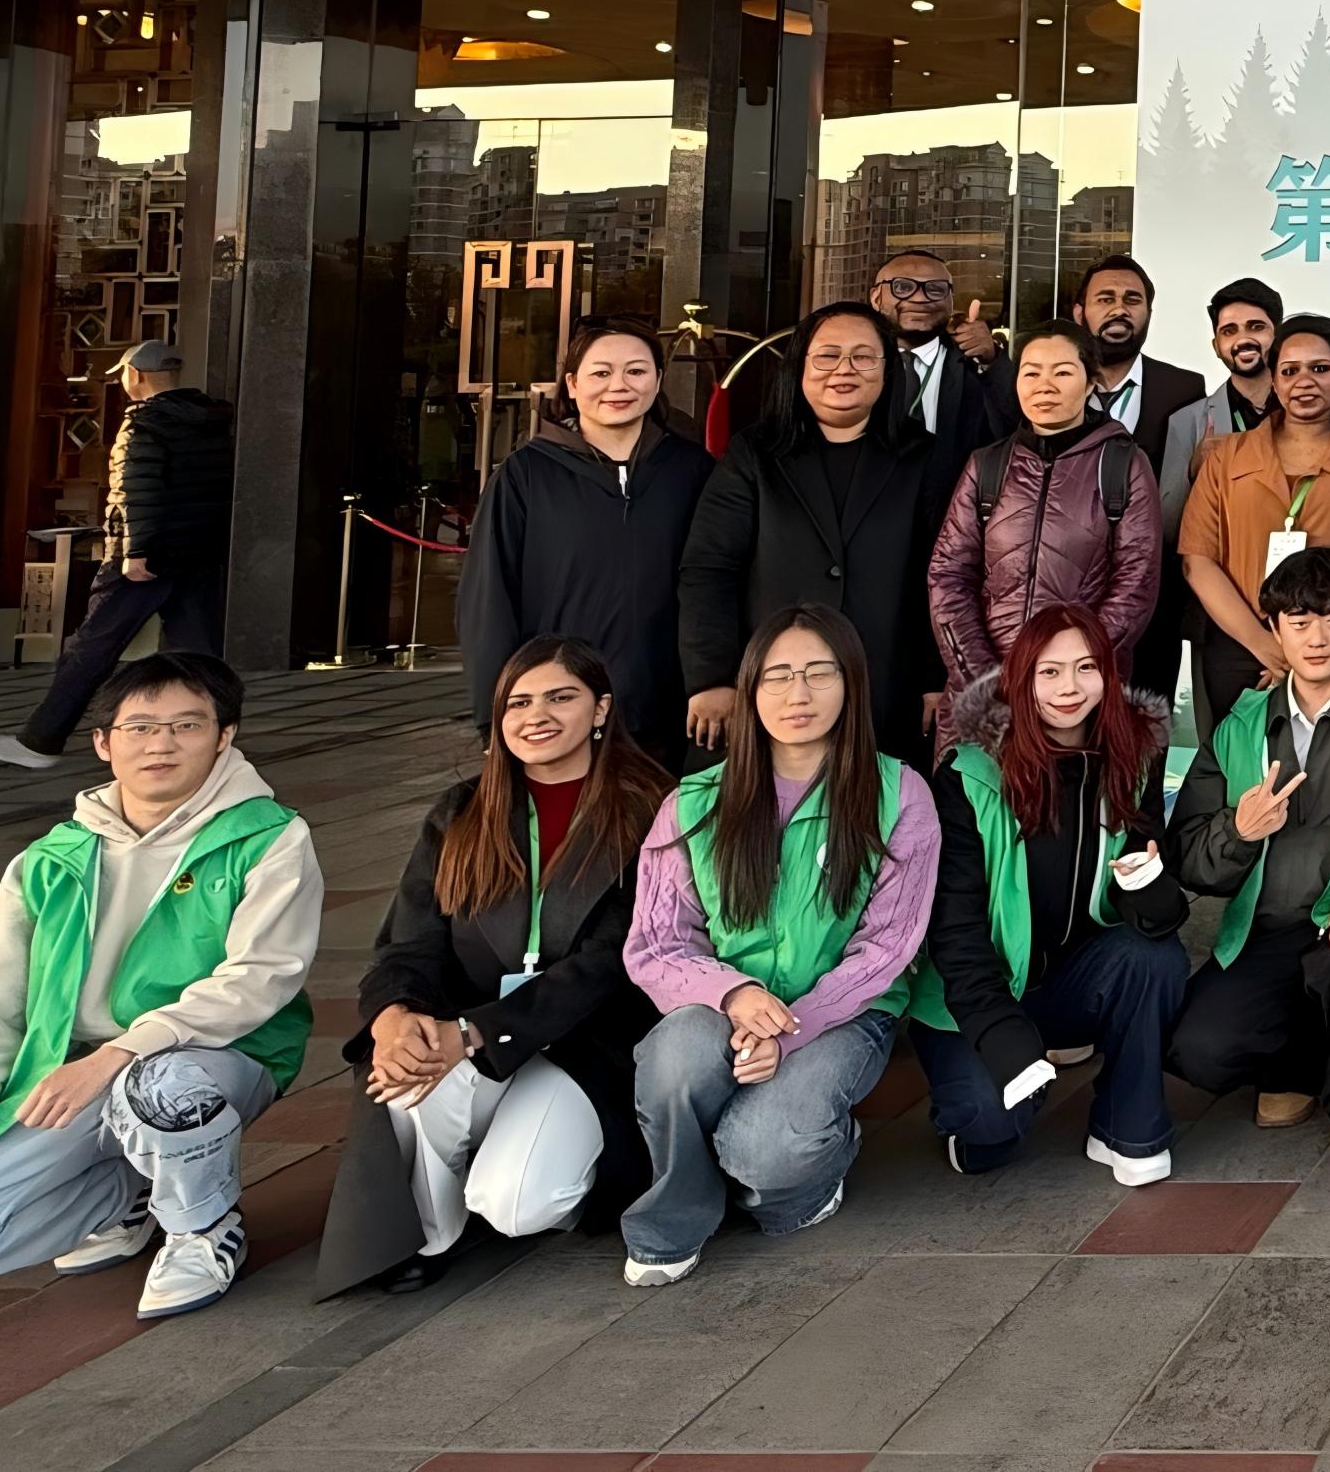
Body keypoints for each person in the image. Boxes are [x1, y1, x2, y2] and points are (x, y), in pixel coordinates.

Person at [0, 655, 319, 1318]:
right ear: (103, 742)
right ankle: (127, 1192)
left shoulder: (269, 837)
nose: (161, 744)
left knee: (159, 1087)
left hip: (213, 1061)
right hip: (68, 1080)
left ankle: (201, 1225)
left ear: (224, 737)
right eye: (140, 727)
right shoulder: (49, 860)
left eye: (187, 725)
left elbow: (259, 978)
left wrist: (118, 1053)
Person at [315, 638, 669, 1295]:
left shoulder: (652, 807)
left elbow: (614, 961)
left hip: (586, 1046)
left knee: (515, 1205)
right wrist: (395, 1017)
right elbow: (409, 943)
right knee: (404, 1071)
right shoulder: (461, 810)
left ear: (600, 709)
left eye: (560, 697)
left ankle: (526, 1170)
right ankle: (432, 1229)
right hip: (469, 1029)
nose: (537, 716)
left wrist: (476, 1032)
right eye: (518, 702)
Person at [620, 608, 936, 1285]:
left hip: (844, 1014)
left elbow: (887, 947)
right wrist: (733, 994)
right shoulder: (695, 800)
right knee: (673, 1057)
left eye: (820, 674)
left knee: (764, 1150)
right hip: (723, 1008)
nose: (799, 694)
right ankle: (673, 1217)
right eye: (778, 676)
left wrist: (788, 1031)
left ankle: (808, 1178)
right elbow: (656, 944)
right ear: (750, 689)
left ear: (851, 683)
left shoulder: (898, 794)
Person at [1164, 547, 1330, 1173]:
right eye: (1299, 622)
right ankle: (1300, 1066)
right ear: (1274, 627)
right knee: (1197, 1049)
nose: (1317, 639)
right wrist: (1239, 831)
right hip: (1270, 928)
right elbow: (1189, 856)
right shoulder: (1240, 725)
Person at [909, 608, 1191, 1186]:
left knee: (1154, 958)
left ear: (1108, 675)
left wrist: (1146, 885)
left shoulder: (1132, 762)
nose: (1069, 687)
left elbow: (1156, 915)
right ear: (1022, 678)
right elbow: (954, 932)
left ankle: (1127, 1129)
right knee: (992, 1127)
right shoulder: (968, 776)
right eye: (1049, 671)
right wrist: (1002, 1036)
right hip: (976, 998)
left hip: (1069, 984)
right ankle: (985, 1102)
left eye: (1086, 668)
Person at [678, 303, 952, 766]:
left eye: (863, 357)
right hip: (774, 686)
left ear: (888, 369)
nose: (844, 369)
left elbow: (942, 575)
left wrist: (935, 677)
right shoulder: (755, 453)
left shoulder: (924, 456)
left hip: (886, 683)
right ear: (799, 367)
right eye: (827, 356)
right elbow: (709, 569)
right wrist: (712, 677)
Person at [459, 317, 719, 761]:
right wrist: (495, 715)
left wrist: (715, 681)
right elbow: (489, 597)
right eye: (601, 372)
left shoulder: (694, 471)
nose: (618, 385)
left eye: (636, 371)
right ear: (573, 384)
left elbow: (718, 582)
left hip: (672, 713)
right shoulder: (527, 474)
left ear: (658, 380)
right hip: (560, 712)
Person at [0, 341, 233, 771]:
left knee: (92, 646)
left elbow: (138, 492)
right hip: (196, 550)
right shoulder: (212, 421)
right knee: (195, 654)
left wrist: (136, 551)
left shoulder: (144, 423)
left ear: (135, 375)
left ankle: (41, 741)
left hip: (145, 555)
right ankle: (212, 742)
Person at [1180, 313, 1330, 704]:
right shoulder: (1226, 458)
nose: (1304, 381)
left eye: (1320, 368)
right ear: (1274, 380)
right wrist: (1265, 642)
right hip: (1242, 646)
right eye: (1290, 371)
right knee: (1240, 744)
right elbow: (1198, 561)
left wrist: (1316, 635)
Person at [929, 323, 1166, 697]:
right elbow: (949, 574)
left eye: (1062, 373)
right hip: (986, 691)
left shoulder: (1122, 464)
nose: (1045, 386)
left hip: (1079, 694)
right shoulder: (987, 464)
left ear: (1091, 383)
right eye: (1031, 373)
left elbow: (1136, 583)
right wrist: (984, 678)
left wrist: (1067, 671)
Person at [1147, 277, 1287, 721]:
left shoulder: (1309, 411)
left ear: (1278, 335)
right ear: (1216, 345)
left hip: (1303, 610)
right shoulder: (1189, 422)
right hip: (1220, 614)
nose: (1243, 339)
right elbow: (1167, 529)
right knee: (1224, 743)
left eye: (1256, 327)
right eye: (1230, 331)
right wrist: (1194, 472)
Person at [872, 248, 1011, 463]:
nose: (920, 298)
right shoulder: (854, 363)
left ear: (951, 300)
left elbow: (1014, 431)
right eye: (903, 287)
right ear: (876, 298)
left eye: (935, 289)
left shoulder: (976, 366)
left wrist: (990, 361)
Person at [1070, 252, 1209, 438]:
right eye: (1105, 300)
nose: (1119, 310)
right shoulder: (1053, 386)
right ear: (1079, 314)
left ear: (1149, 314)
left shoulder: (1185, 389)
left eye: (1132, 300)